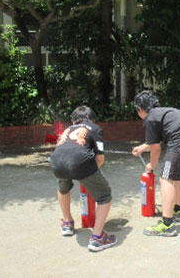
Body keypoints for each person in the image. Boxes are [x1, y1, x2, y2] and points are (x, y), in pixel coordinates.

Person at [132, 90, 180, 237]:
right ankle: (178, 210)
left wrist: (151, 165)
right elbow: (155, 141)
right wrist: (142, 147)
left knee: (166, 178)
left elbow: (156, 149)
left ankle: (167, 224)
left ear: (140, 109)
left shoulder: (150, 119)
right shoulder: (162, 113)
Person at [50, 106, 117, 252]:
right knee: (105, 195)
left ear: (73, 120)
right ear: (92, 119)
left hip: (56, 163)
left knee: (63, 188)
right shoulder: (95, 128)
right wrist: (90, 177)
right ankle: (98, 238)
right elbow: (100, 157)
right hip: (80, 163)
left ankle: (67, 223)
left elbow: (62, 148)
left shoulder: (67, 129)